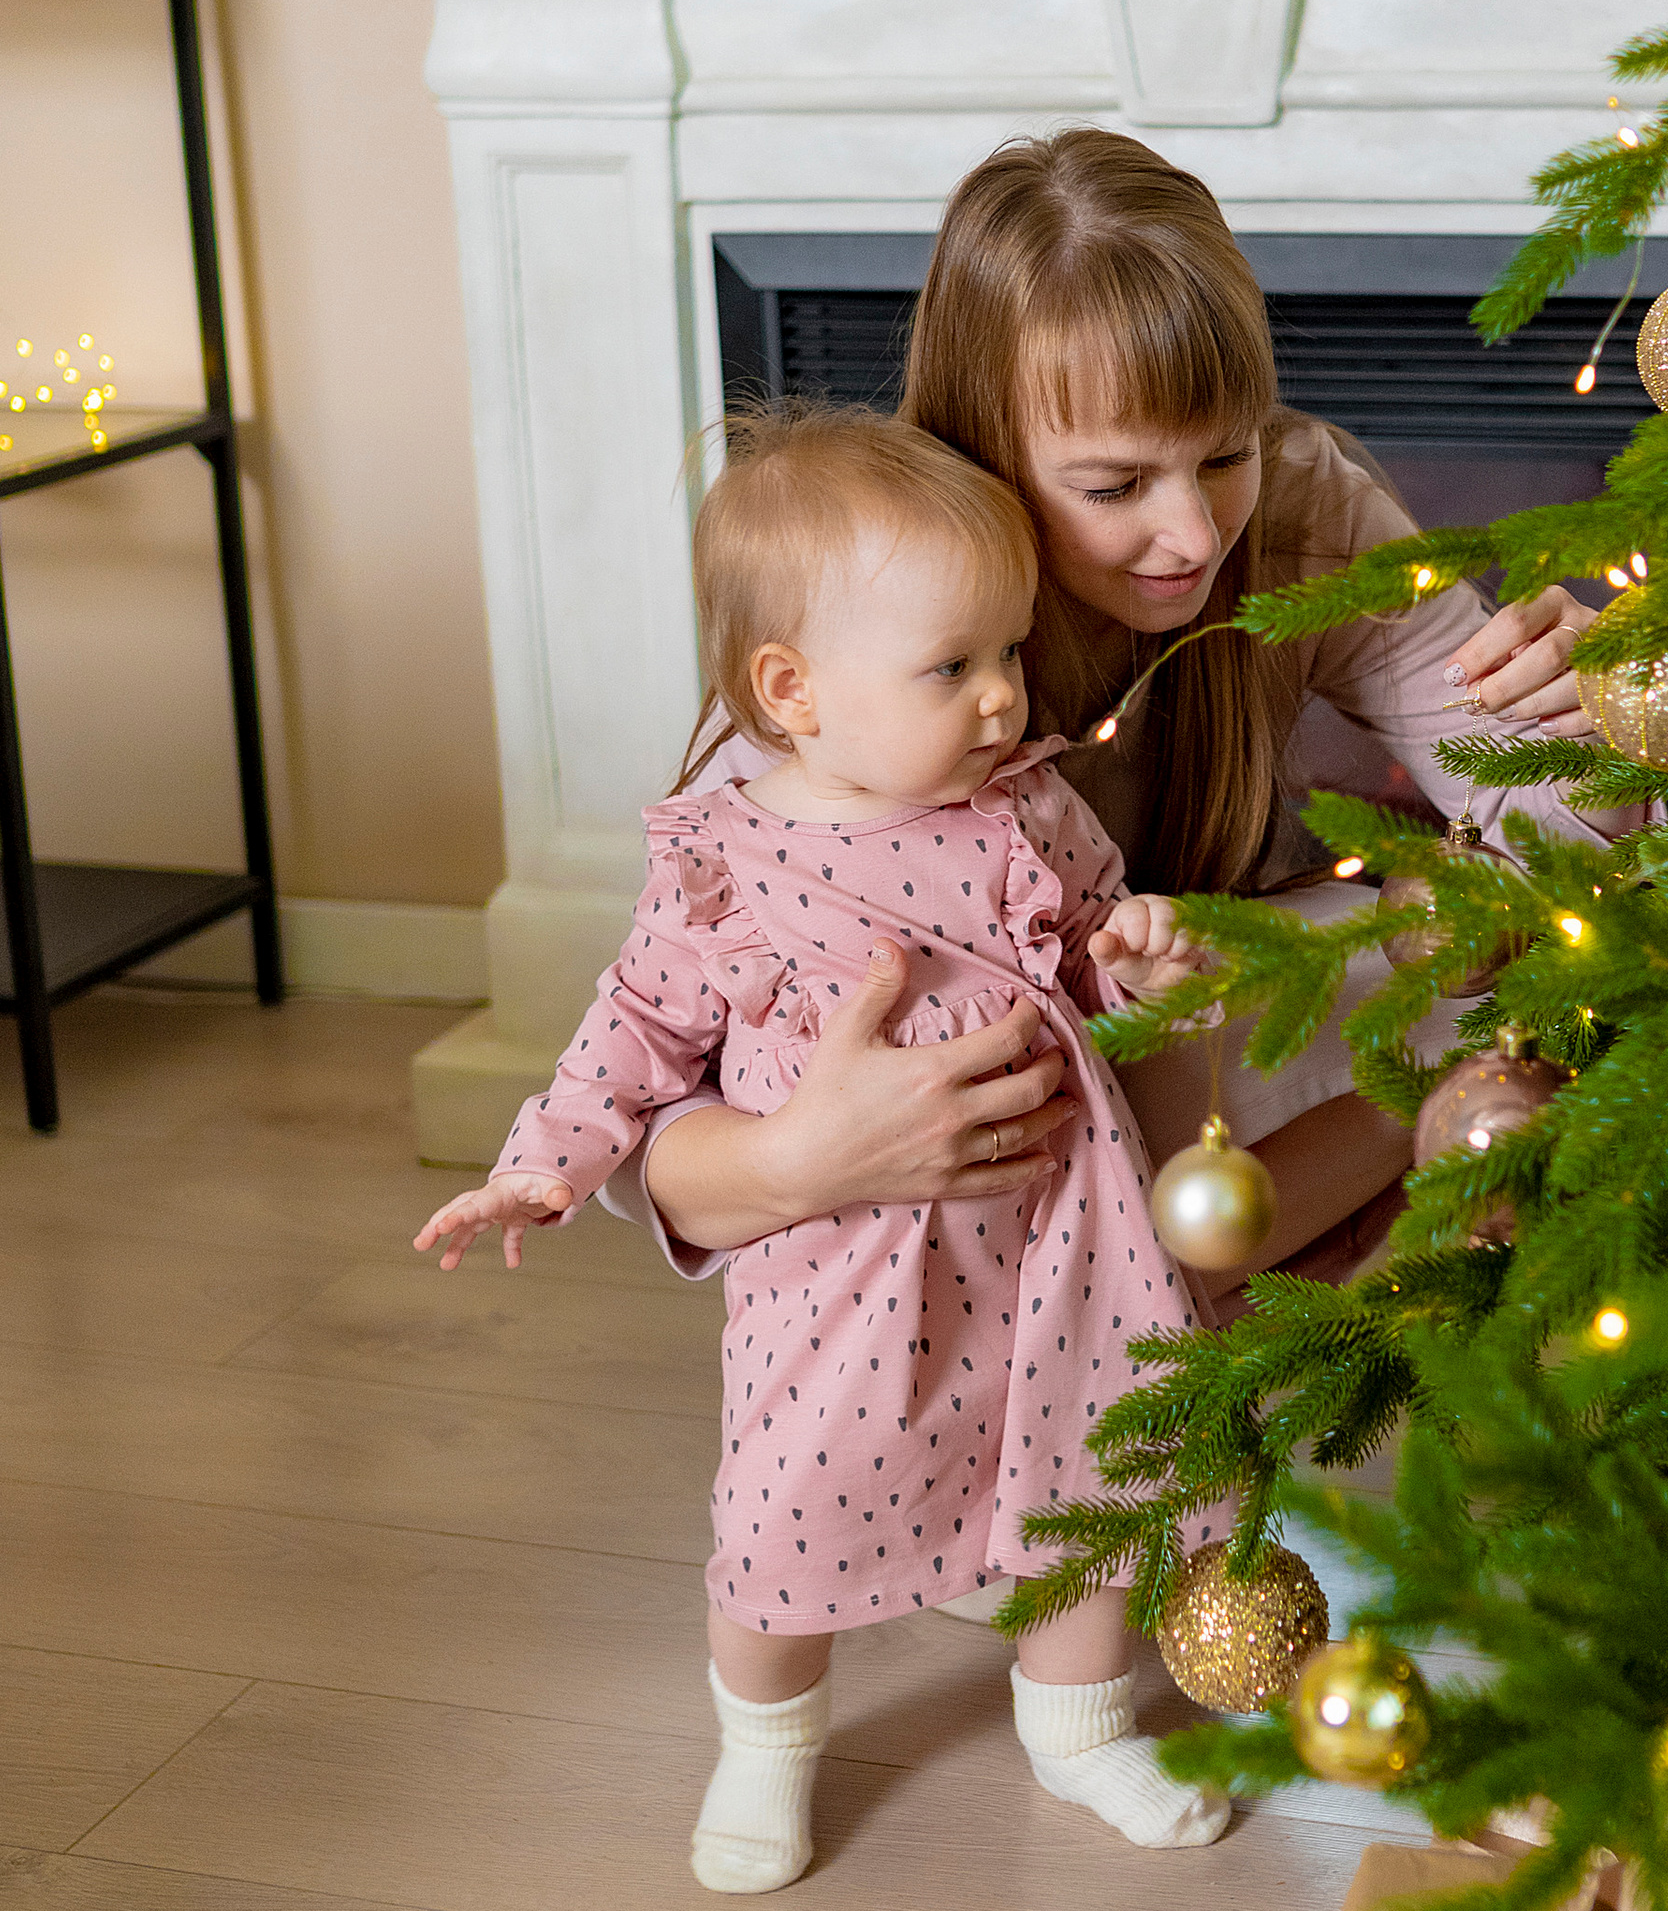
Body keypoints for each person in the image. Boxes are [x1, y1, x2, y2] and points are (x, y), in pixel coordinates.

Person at [413, 405, 1229, 1894]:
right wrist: (545, 1158)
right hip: (841, 1278)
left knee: (1090, 1485)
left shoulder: (1020, 804)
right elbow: (635, 1032)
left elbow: (1089, 950)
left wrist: (1142, 956)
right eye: (951, 667)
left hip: (1063, 1243)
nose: (1000, 697)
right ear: (793, 690)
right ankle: (768, 1748)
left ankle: (1077, 1723)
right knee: (790, 1518)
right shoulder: (733, 863)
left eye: (1006, 653)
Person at [627, 126, 1604, 1294]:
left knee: (1510, 964)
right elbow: (649, 1114)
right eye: (1113, 485)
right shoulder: (869, 600)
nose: (1194, 535)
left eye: (1224, 457)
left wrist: (1611, 705)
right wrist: (803, 1160)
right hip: (947, 1185)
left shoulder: (1299, 510)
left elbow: (1554, 828)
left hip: (1190, 1098)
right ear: (986, 449)